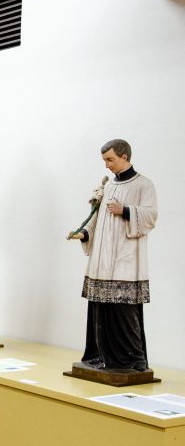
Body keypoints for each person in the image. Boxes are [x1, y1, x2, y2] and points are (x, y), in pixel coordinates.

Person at [68, 139, 157, 372]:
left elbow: (150, 216)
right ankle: (101, 356)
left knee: (122, 310)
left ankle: (130, 360)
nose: (106, 165)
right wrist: (84, 234)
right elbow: (98, 219)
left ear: (124, 157)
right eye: (104, 160)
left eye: (110, 159)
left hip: (126, 259)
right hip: (101, 260)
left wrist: (124, 210)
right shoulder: (108, 187)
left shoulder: (143, 185)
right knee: (100, 309)